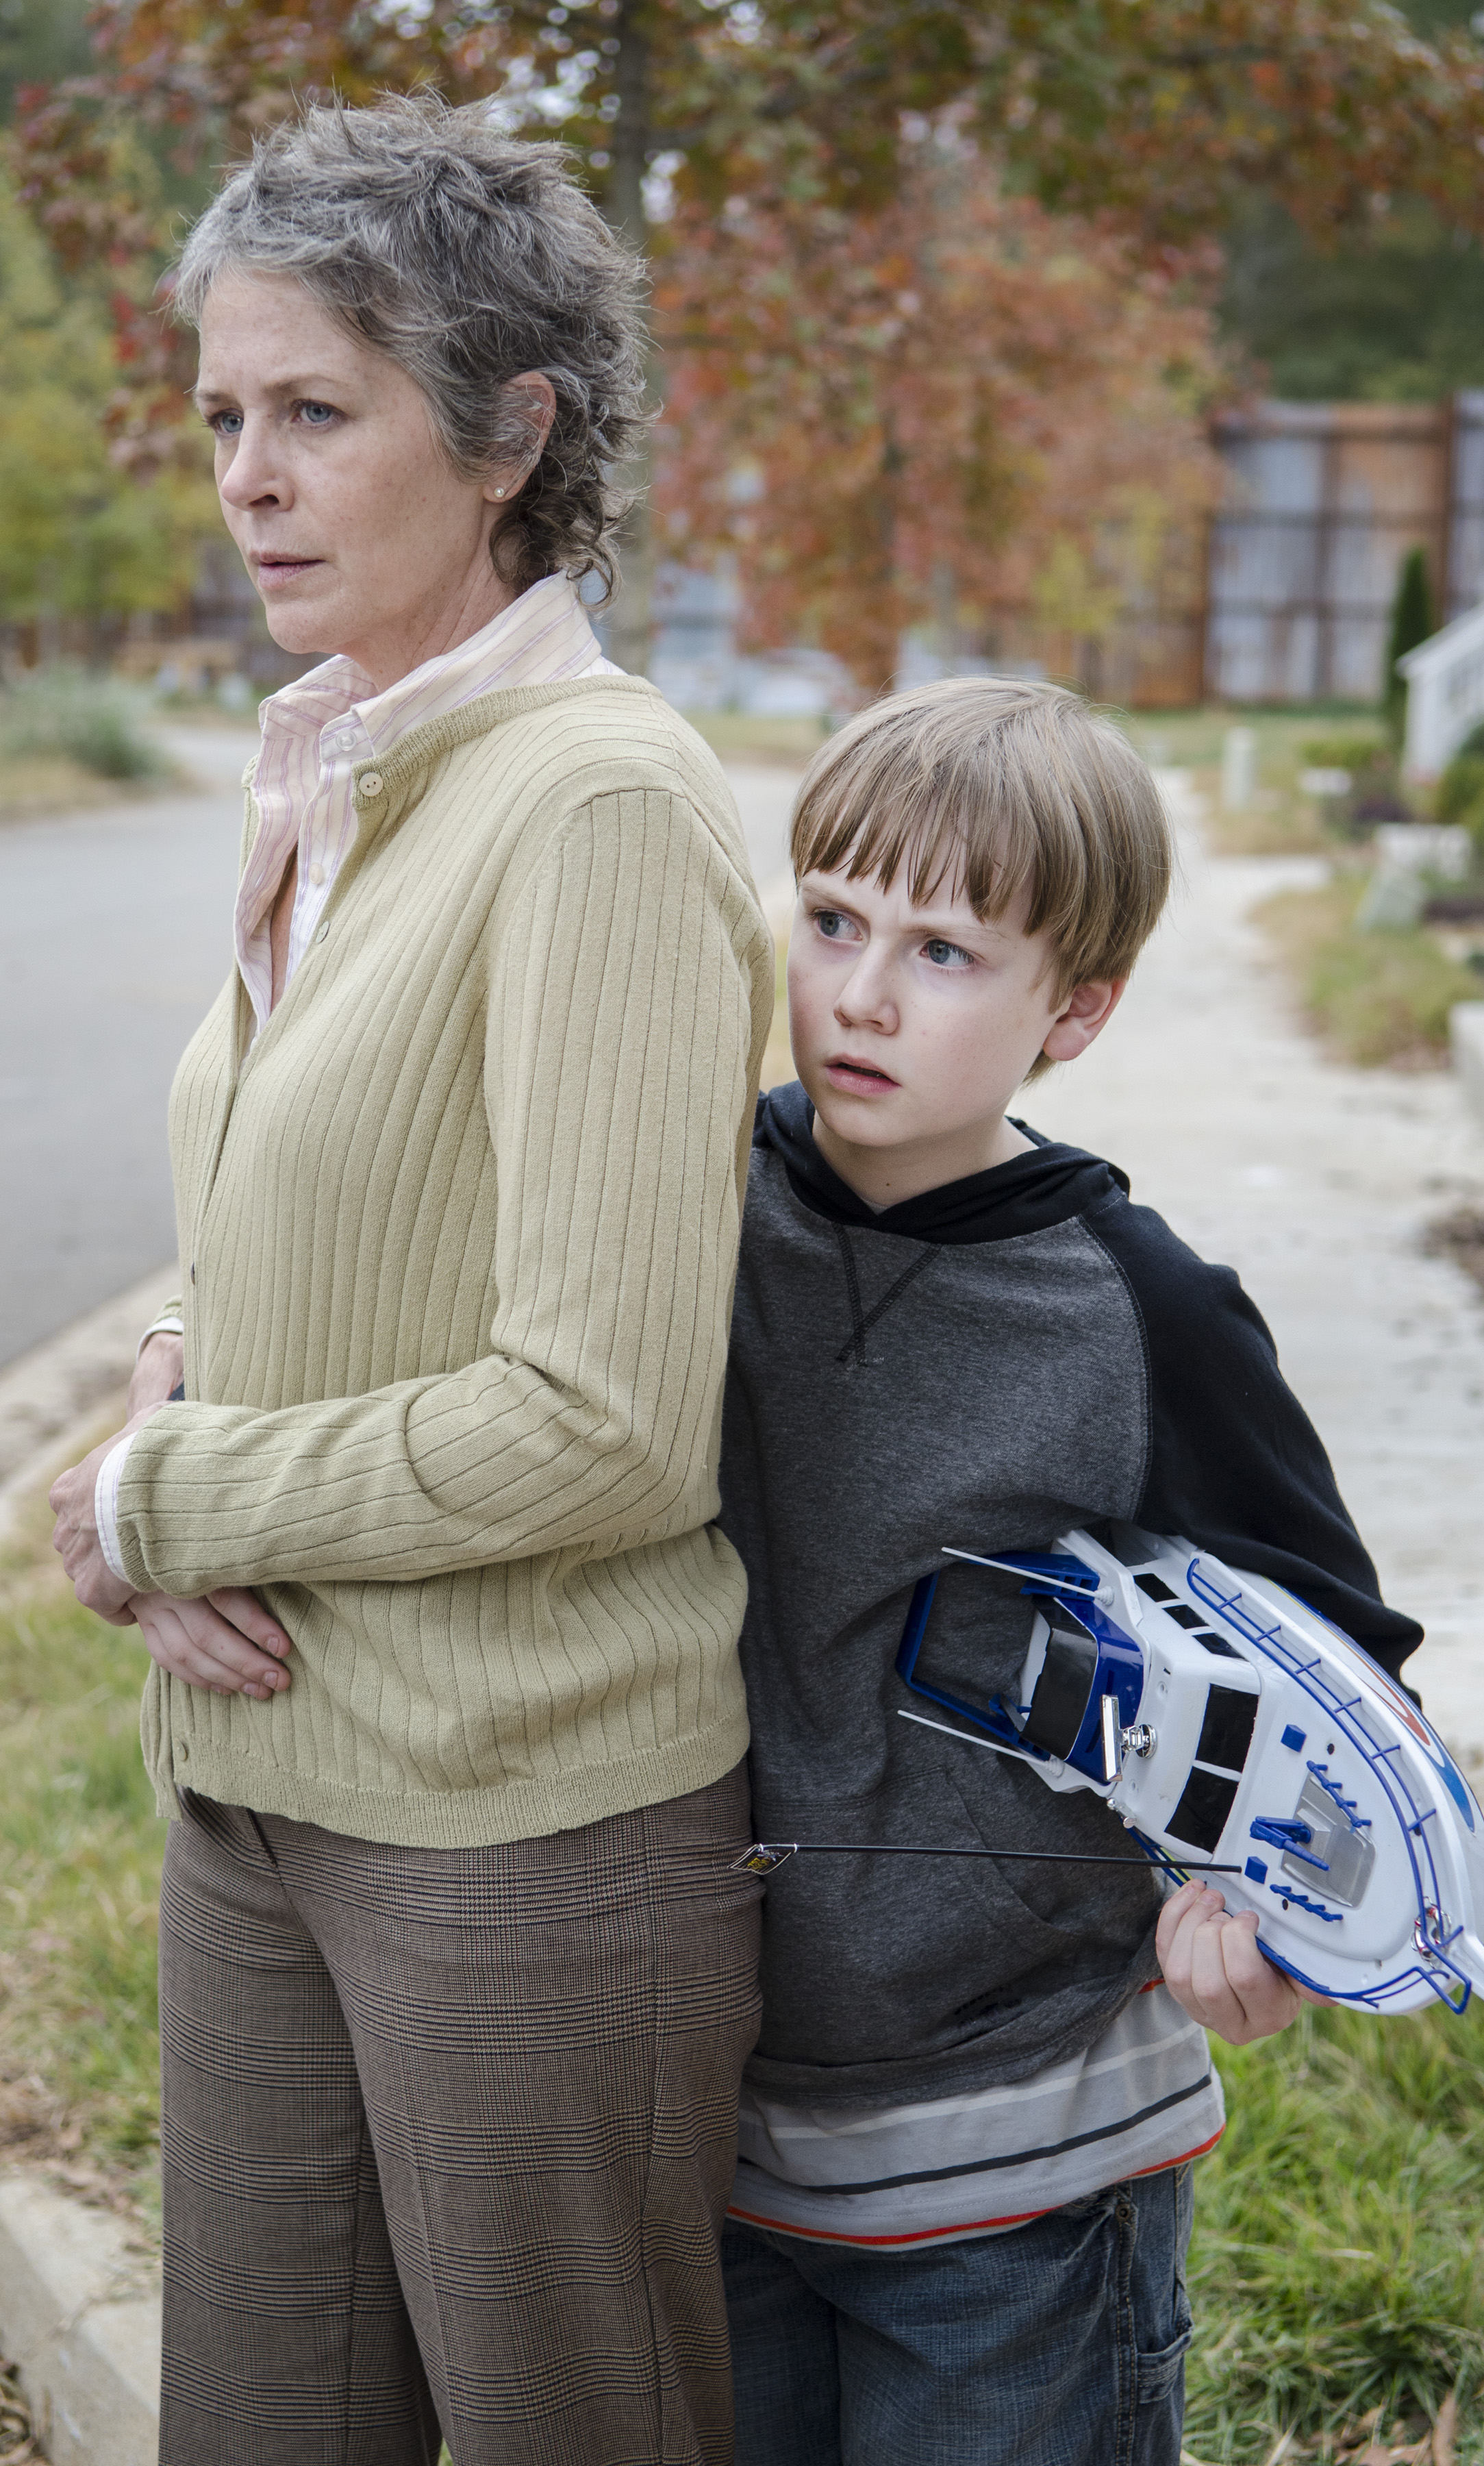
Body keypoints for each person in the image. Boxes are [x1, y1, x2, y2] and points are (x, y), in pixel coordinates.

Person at [47, 96, 772, 2466]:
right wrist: (175, 1371)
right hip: (255, 1796)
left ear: (508, 435)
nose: (247, 477)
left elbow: (604, 1413)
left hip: (521, 1835)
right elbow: (311, 1207)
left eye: (316, 412)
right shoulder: (335, 774)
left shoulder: (597, 808)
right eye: (227, 418)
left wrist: (178, 1496)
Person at [715, 678, 1422, 2466]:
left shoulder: (1143, 1307)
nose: (862, 991)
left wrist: (1259, 1902)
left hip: (1023, 2161)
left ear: (1076, 1011)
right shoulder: (692, 1202)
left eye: (947, 952)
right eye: (833, 919)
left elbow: (1336, 1666)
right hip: (718, 2132)